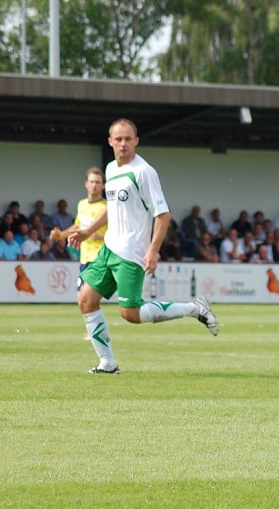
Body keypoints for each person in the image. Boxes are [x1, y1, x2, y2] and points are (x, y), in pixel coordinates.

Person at [68, 118, 219, 375]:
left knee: (131, 314)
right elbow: (112, 209)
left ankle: (195, 308)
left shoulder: (144, 172)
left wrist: (152, 250)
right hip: (109, 249)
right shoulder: (111, 169)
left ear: (136, 141)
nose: (123, 143)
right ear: (110, 142)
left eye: (128, 139)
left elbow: (163, 215)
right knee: (86, 299)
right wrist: (87, 231)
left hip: (130, 253)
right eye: (118, 139)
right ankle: (108, 364)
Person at [51, 167, 108, 289]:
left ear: (103, 186)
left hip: (100, 258)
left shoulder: (107, 207)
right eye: (92, 182)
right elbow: (78, 226)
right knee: (84, 302)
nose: (94, 185)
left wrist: (100, 236)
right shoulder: (82, 204)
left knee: (85, 298)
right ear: (86, 184)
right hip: (84, 258)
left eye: (98, 182)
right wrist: (60, 235)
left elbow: (118, 233)